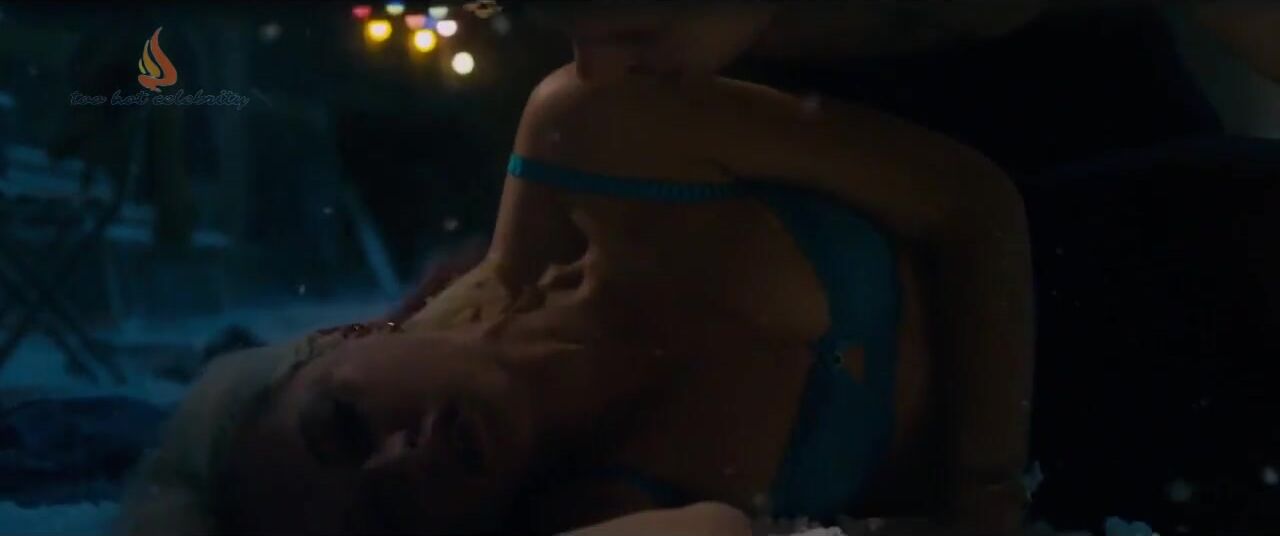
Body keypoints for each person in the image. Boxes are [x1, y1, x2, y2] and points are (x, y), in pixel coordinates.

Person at [119, 54, 1034, 536]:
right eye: (386, 527)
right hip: (1102, 455)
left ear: (350, 336)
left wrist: (984, 494)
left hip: (1074, 200)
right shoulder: (609, 512)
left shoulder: (594, 147)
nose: (398, 469)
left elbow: (974, 205)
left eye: (344, 427)